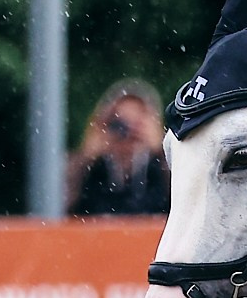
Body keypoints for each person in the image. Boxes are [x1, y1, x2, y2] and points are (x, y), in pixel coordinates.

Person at [66, 80, 171, 217]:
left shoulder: (161, 170)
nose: (129, 132)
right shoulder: (93, 171)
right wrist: (86, 156)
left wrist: (163, 150)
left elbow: (185, 197)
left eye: (138, 123)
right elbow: (57, 203)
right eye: (120, 122)